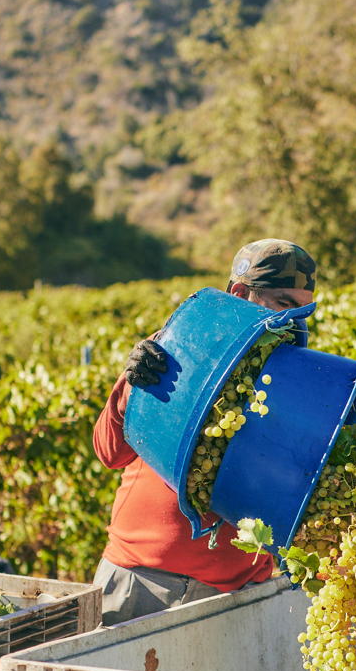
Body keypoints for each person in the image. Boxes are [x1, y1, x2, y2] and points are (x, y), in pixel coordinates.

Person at [92, 239, 317, 626]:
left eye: (303, 309)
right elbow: (109, 453)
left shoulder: (294, 382)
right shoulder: (175, 353)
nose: (294, 320)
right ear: (239, 294)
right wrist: (131, 388)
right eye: (283, 303)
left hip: (234, 598)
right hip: (139, 581)